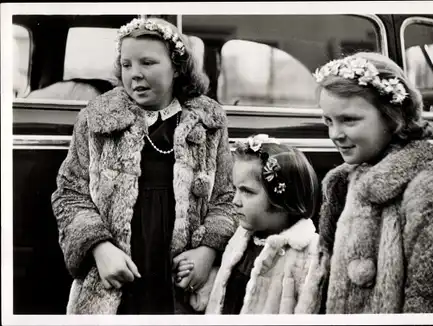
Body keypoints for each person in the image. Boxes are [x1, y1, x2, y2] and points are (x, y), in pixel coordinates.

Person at [51, 17, 238, 314]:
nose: (135, 74)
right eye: (126, 65)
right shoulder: (97, 119)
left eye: (148, 63)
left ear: (177, 66)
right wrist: (99, 247)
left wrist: (207, 250)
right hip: (118, 274)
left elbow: (227, 199)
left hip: (181, 278)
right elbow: (70, 194)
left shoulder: (208, 121)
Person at [299, 52, 433, 313]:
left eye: (349, 119)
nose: (335, 134)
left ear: (391, 116)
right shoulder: (341, 183)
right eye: (328, 121)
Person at [178, 134, 322, 314]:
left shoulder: (308, 256)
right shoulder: (240, 238)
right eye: (235, 189)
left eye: (247, 191)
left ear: (281, 199)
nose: (235, 201)